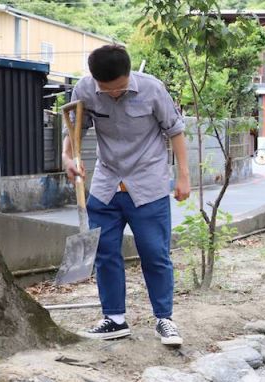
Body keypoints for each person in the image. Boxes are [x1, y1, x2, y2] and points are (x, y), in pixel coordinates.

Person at [63, 45, 191, 346]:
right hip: (106, 184)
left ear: (128, 74)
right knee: (105, 254)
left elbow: (175, 130)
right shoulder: (85, 89)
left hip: (148, 184)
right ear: (95, 81)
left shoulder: (152, 89)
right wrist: (67, 157)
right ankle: (115, 319)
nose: (114, 95)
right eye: (106, 92)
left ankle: (164, 319)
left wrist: (184, 176)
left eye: (119, 89)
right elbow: (73, 128)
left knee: (155, 254)